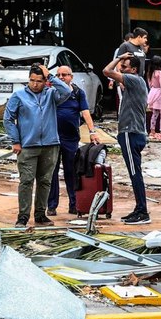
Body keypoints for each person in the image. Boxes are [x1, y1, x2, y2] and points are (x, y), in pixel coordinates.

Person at [4, 64, 71, 226]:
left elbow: (67, 91)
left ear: (45, 81)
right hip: (27, 146)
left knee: (45, 181)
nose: (35, 84)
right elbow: (8, 119)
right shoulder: (18, 96)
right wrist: (16, 141)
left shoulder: (51, 95)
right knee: (26, 181)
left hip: (50, 145)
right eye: (32, 80)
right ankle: (23, 216)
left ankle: (40, 214)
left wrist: (51, 77)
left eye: (39, 81)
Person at [103, 53, 151, 225]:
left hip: (131, 133)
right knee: (134, 173)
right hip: (131, 133)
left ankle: (143, 211)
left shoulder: (134, 80)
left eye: (124, 67)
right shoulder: (133, 83)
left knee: (135, 173)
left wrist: (119, 56)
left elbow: (107, 71)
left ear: (134, 69)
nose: (121, 69)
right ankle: (139, 209)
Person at [47, 65, 98, 217]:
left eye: (65, 75)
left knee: (72, 172)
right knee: (52, 172)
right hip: (53, 138)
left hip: (70, 139)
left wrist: (92, 132)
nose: (61, 77)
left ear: (71, 77)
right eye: (58, 75)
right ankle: (51, 206)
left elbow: (86, 113)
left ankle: (74, 204)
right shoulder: (51, 93)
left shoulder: (78, 93)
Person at [146, 55, 161, 139]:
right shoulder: (160, 73)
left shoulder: (150, 73)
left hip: (152, 92)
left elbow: (149, 84)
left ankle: (152, 131)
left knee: (154, 114)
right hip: (159, 93)